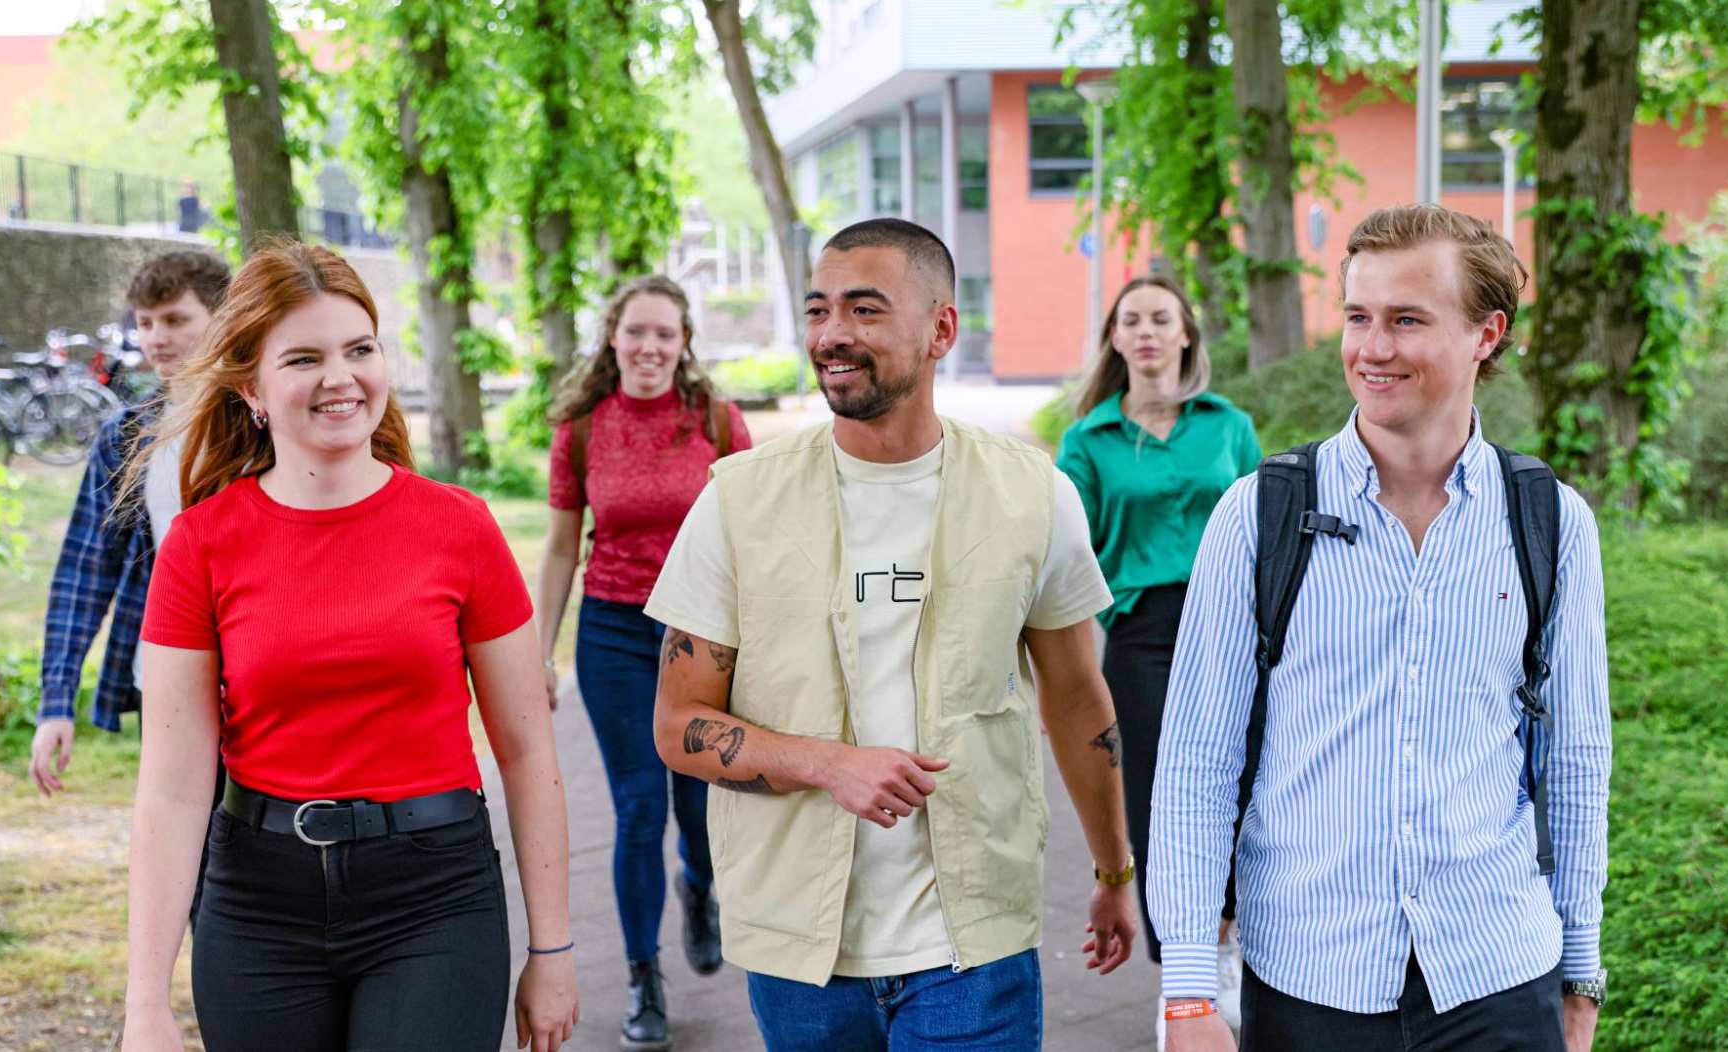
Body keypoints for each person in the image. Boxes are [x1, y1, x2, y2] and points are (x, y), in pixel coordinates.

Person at [644, 217, 1141, 1051]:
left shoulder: (1033, 493)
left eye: (866, 309)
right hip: (803, 954)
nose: (833, 334)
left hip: (974, 948)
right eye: (819, 310)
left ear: (942, 327)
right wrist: (825, 763)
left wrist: (1113, 869)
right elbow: (676, 725)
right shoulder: (737, 501)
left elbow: (1076, 696)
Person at [1151, 204, 1612, 1052]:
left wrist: (1580, 972)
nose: (1372, 348)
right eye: (1358, 317)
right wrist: (1186, 991)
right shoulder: (1259, 517)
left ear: (1486, 333)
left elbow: (1575, 758)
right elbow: (1195, 762)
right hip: (1308, 979)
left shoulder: (1551, 521)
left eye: (1407, 320)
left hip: (1499, 975)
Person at [119, 243, 580, 1052]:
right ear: (251, 389)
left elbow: (525, 747)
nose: (342, 377)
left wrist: (553, 950)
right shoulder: (200, 544)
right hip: (258, 905)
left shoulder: (459, 527)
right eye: (305, 358)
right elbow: (173, 785)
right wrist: (144, 1002)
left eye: (359, 350)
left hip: (434, 899)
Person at [533, 274, 751, 1050]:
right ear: (613, 338)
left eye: (665, 334)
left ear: (683, 342)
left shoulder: (719, 426)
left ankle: (700, 884)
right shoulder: (583, 430)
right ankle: (642, 977)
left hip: (701, 638)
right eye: (637, 332)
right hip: (613, 635)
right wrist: (539, 652)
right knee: (636, 808)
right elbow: (561, 547)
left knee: (696, 805)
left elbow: (750, 541)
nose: (650, 347)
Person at [1052, 274, 1262, 1041]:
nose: (1145, 331)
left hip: (1233, 628)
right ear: (1115, 339)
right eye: (1130, 319)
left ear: (1184, 336)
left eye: (1160, 318)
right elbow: (1063, 543)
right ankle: (1182, 972)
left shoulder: (1228, 425)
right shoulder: (1089, 439)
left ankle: (1229, 948)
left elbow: (1266, 523)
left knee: (1238, 783)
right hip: (1141, 633)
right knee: (1155, 795)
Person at [31, 250, 229, 796]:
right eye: (144, 323)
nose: (156, 337)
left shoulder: (267, 426)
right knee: (181, 851)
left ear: (224, 316)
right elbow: (84, 570)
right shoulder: (127, 436)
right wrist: (56, 702)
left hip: (260, 679)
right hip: (162, 677)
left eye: (174, 319)